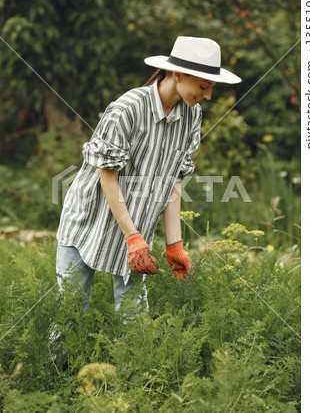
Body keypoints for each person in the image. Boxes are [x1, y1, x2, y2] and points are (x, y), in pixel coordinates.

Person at [55, 36, 241, 315]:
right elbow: (108, 177)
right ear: (177, 74)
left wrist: (174, 243)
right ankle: (58, 362)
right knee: (70, 312)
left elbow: (173, 181)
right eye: (204, 86)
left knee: (134, 316)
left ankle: (132, 361)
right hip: (88, 219)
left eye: (211, 87)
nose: (208, 95)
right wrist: (132, 238)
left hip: (137, 229)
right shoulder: (128, 109)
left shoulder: (192, 116)